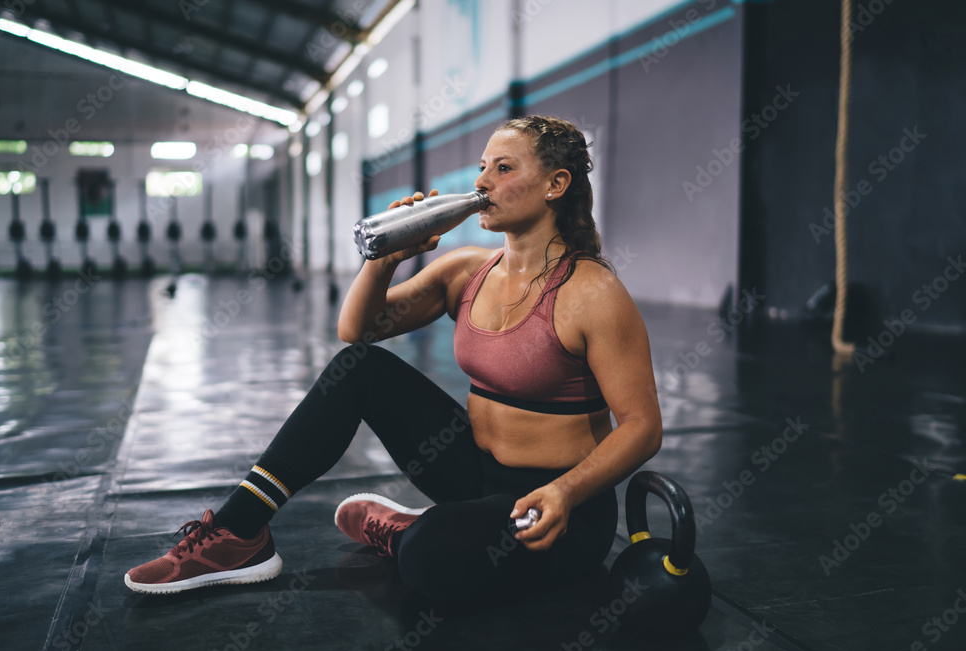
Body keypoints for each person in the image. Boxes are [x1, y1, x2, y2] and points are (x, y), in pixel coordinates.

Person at [124, 115, 662, 603]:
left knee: (429, 560)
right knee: (359, 370)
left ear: (555, 184)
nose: (481, 183)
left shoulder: (592, 292)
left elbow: (641, 427)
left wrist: (566, 490)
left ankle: (413, 529)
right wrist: (387, 260)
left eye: (502, 169)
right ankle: (241, 533)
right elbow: (355, 333)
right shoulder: (468, 271)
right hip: (471, 474)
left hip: (559, 507)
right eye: (481, 168)